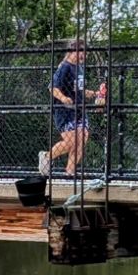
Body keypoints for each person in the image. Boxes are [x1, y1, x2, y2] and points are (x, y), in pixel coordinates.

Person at [42, 39, 106, 178]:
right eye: (81, 52)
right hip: (64, 111)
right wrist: (63, 98)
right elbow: (52, 88)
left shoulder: (80, 68)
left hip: (79, 110)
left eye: (85, 53)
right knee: (72, 141)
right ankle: (47, 156)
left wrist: (95, 94)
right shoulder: (65, 67)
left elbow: (80, 90)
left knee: (82, 140)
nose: (84, 55)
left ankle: (70, 172)